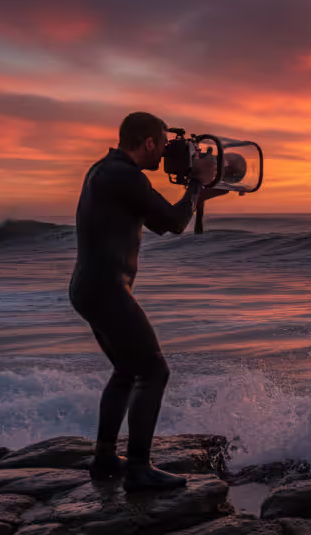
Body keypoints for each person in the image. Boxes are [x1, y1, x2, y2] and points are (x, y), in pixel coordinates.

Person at [69, 112, 220, 491]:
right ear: (148, 142)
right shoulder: (124, 175)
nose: (166, 154)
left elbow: (157, 219)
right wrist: (195, 184)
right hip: (106, 289)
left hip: (90, 287)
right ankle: (138, 468)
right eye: (163, 144)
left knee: (126, 370)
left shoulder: (105, 170)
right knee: (154, 372)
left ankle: (104, 459)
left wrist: (197, 191)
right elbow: (173, 222)